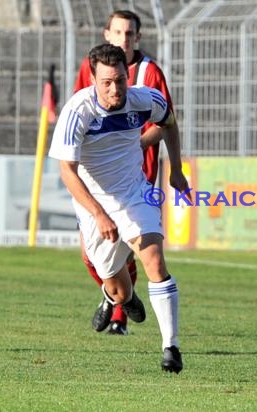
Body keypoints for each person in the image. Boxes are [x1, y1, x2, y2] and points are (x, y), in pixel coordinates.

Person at [49, 43, 190, 373]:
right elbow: (67, 171)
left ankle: (172, 348)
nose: (115, 89)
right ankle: (118, 299)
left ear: (128, 75)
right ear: (93, 79)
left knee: (154, 259)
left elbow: (168, 122)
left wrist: (178, 169)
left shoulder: (144, 98)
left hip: (134, 193)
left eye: (121, 80)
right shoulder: (77, 112)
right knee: (118, 285)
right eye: (107, 82)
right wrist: (97, 213)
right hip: (94, 204)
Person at [74, 10, 173, 336]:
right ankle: (113, 294)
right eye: (118, 32)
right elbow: (79, 112)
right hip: (96, 182)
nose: (124, 39)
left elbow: (167, 121)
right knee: (92, 254)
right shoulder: (92, 70)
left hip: (138, 178)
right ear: (107, 35)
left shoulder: (149, 73)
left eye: (130, 33)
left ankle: (120, 314)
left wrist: (136, 144)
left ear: (137, 38)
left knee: (143, 247)